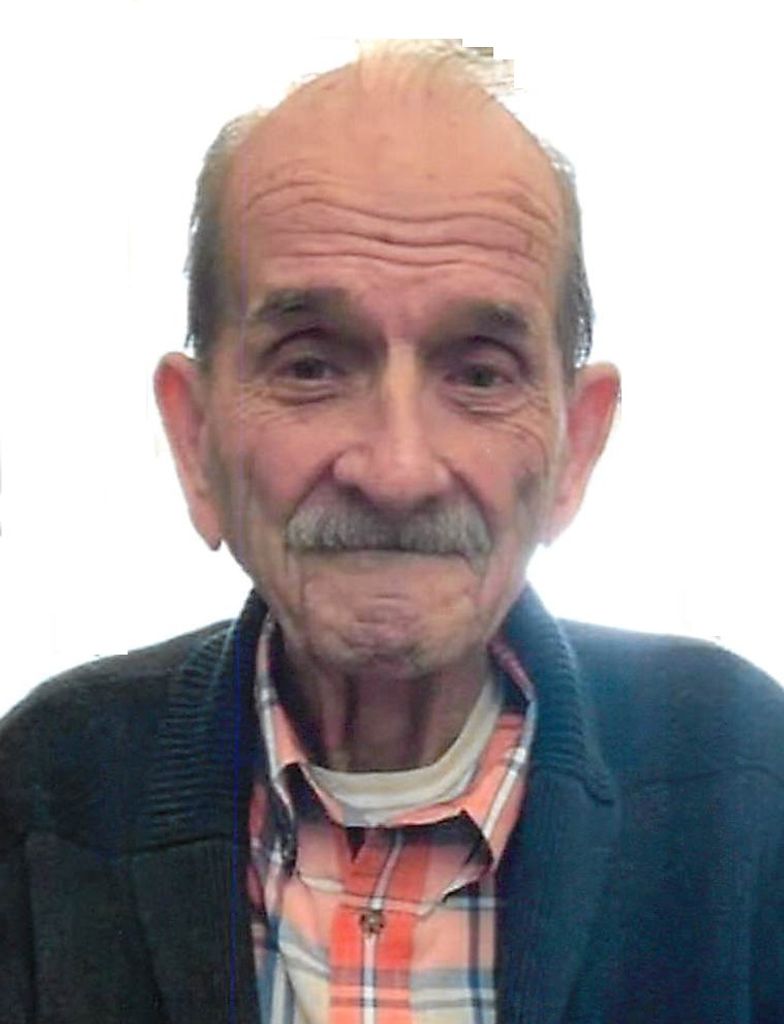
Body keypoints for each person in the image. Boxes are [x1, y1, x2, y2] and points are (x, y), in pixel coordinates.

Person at [1, 39, 782, 1024]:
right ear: (194, 439)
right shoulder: (46, 794)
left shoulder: (745, 783)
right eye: (311, 365)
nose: (398, 470)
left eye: (480, 372)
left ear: (574, 449)